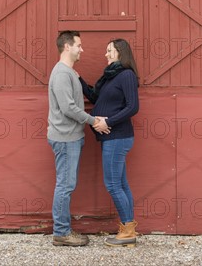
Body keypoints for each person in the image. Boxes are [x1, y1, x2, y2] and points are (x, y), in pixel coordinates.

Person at [47, 30, 107, 247]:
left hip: (70, 137)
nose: (82, 49)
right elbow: (68, 108)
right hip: (65, 139)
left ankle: (63, 230)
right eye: (78, 45)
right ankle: (61, 232)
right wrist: (94, 121)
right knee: (65, 185)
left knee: (66, 184)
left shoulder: (69, 72)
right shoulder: (62, 74)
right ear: (67, 47)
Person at [80, 38, 140, 247]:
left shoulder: (126, 75)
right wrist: (76, 77)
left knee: (113, 185)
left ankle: (127, 231)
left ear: (120, 53)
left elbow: (133, 107)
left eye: (110, 51)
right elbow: (95, 98)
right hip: (112, 138)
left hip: (118, 137)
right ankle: (128, 229)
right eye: (106, 51)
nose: (106, 54)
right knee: (121, 184)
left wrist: (108, 121)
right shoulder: (109, 77)